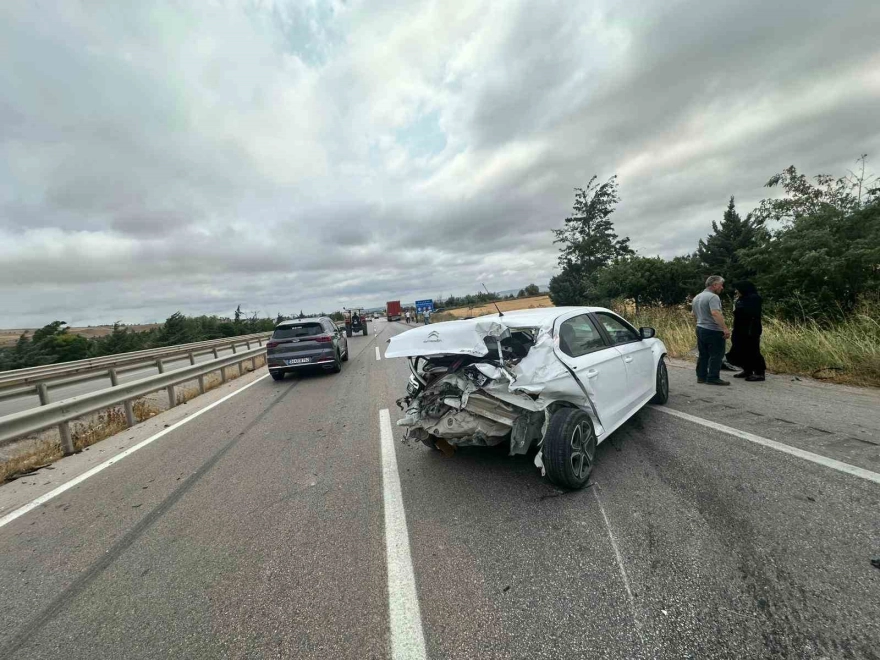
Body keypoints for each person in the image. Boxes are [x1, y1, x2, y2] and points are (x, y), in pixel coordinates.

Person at [691, 275, 731, 385]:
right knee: (716, 354)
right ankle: (713, 377)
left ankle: (701, 376)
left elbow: (693, 314)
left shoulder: (697, 297)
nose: (722, 288)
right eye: (721, 285)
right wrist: (725, 328)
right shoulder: (713, 297)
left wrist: (700, 322)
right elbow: (715, 313)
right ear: (714, 285)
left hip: (700, 328)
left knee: (703, 354)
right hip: (713, 329)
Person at [726, 281, 766, 382]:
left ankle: (759, 373)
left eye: (738, 289)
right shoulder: (741, 299)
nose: (736, 291)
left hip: (750, 329)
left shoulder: (754, 298)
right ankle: (747, 370)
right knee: (740, 349)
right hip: (740, 328)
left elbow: (751, 313)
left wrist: (739, 309)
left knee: (753, 350)